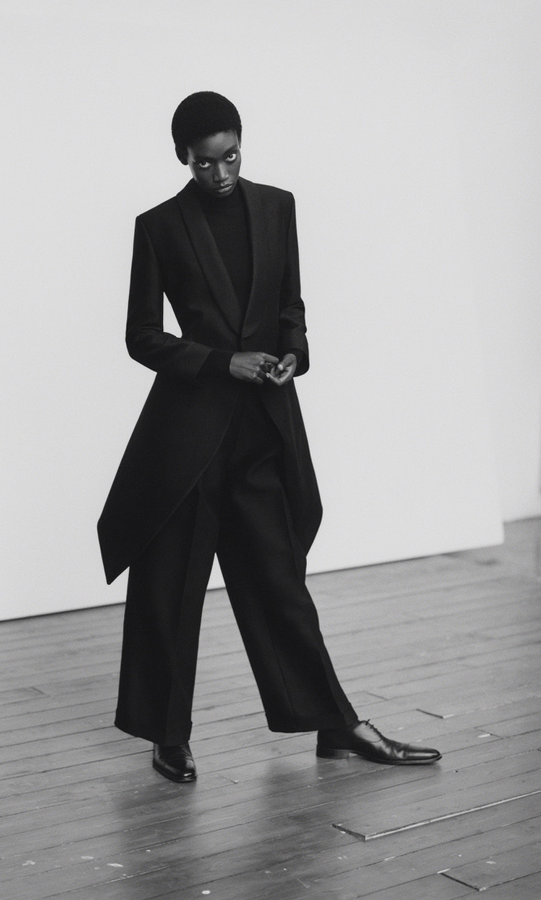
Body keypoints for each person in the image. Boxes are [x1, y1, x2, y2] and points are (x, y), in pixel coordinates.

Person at [98, 92, 440, 782]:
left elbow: (291, 305)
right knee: (168, 590)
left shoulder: (278, 207)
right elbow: (141, 336)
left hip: (261, 430)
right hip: (186, 442)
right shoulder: (158, 226)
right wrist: (220, 362)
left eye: (231, 157)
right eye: (205, 162)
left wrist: (293, 352)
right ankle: (167, 735)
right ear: (181, 157)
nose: (221, 173)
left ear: (241, 145)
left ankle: (335, 725)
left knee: (279, 584)